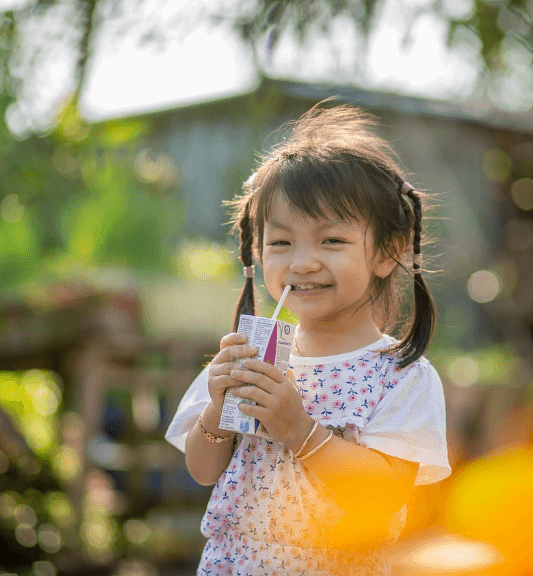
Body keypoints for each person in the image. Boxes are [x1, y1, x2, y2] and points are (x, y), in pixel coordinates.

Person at [165, 100, 450, 575]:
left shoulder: (402, 377)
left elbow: (382, 494)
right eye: (281, 243)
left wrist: (299, 429)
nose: (301, 262)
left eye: (331, 241)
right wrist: (217, 408)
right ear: (256, 253)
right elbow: (203, 470)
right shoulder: (254, 357)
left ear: (386, 253)